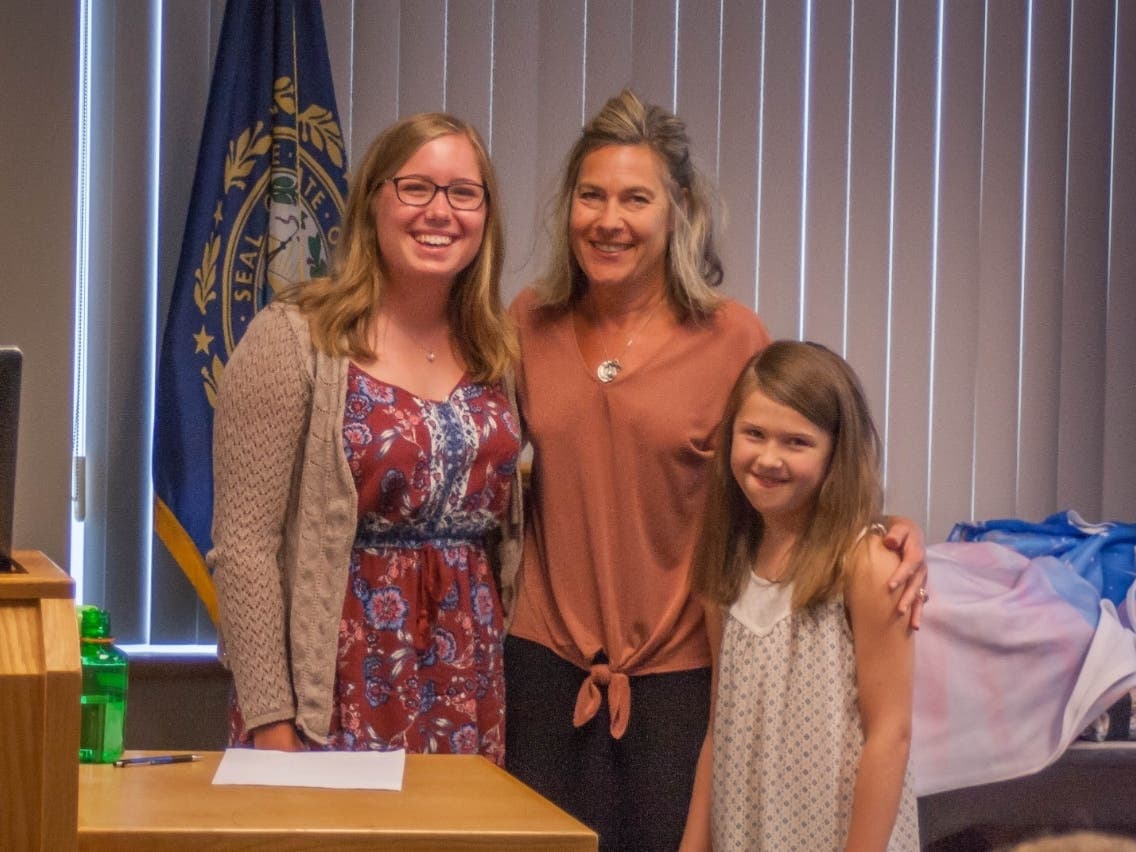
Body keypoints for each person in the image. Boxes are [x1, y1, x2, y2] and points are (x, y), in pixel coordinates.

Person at [503, 89, 928, 851]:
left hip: (682, 676)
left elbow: (791, 465)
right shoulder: (528, 322)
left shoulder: (730, 337)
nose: (609, 219)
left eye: (636, 199)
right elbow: (481, 464)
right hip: (544, 668)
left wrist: (889, 528)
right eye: (591, 196)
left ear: (678, 211)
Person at [209, 112, 521, 764]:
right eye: (416, 188)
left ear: (486, 214)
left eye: (463, 193)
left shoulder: (494, 348)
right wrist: (271, 721)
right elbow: (244, 547)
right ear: (373, 200)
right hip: (335, 682)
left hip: (467, 678)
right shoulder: (295, 337)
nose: (440, 211)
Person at [689, 341, 919, 850]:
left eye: (797, 442)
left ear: (837, 452)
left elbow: (891, 736)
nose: (769, 458)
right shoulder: (727, 561)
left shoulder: (866, 564)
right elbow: (718, 729)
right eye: (754, 434)